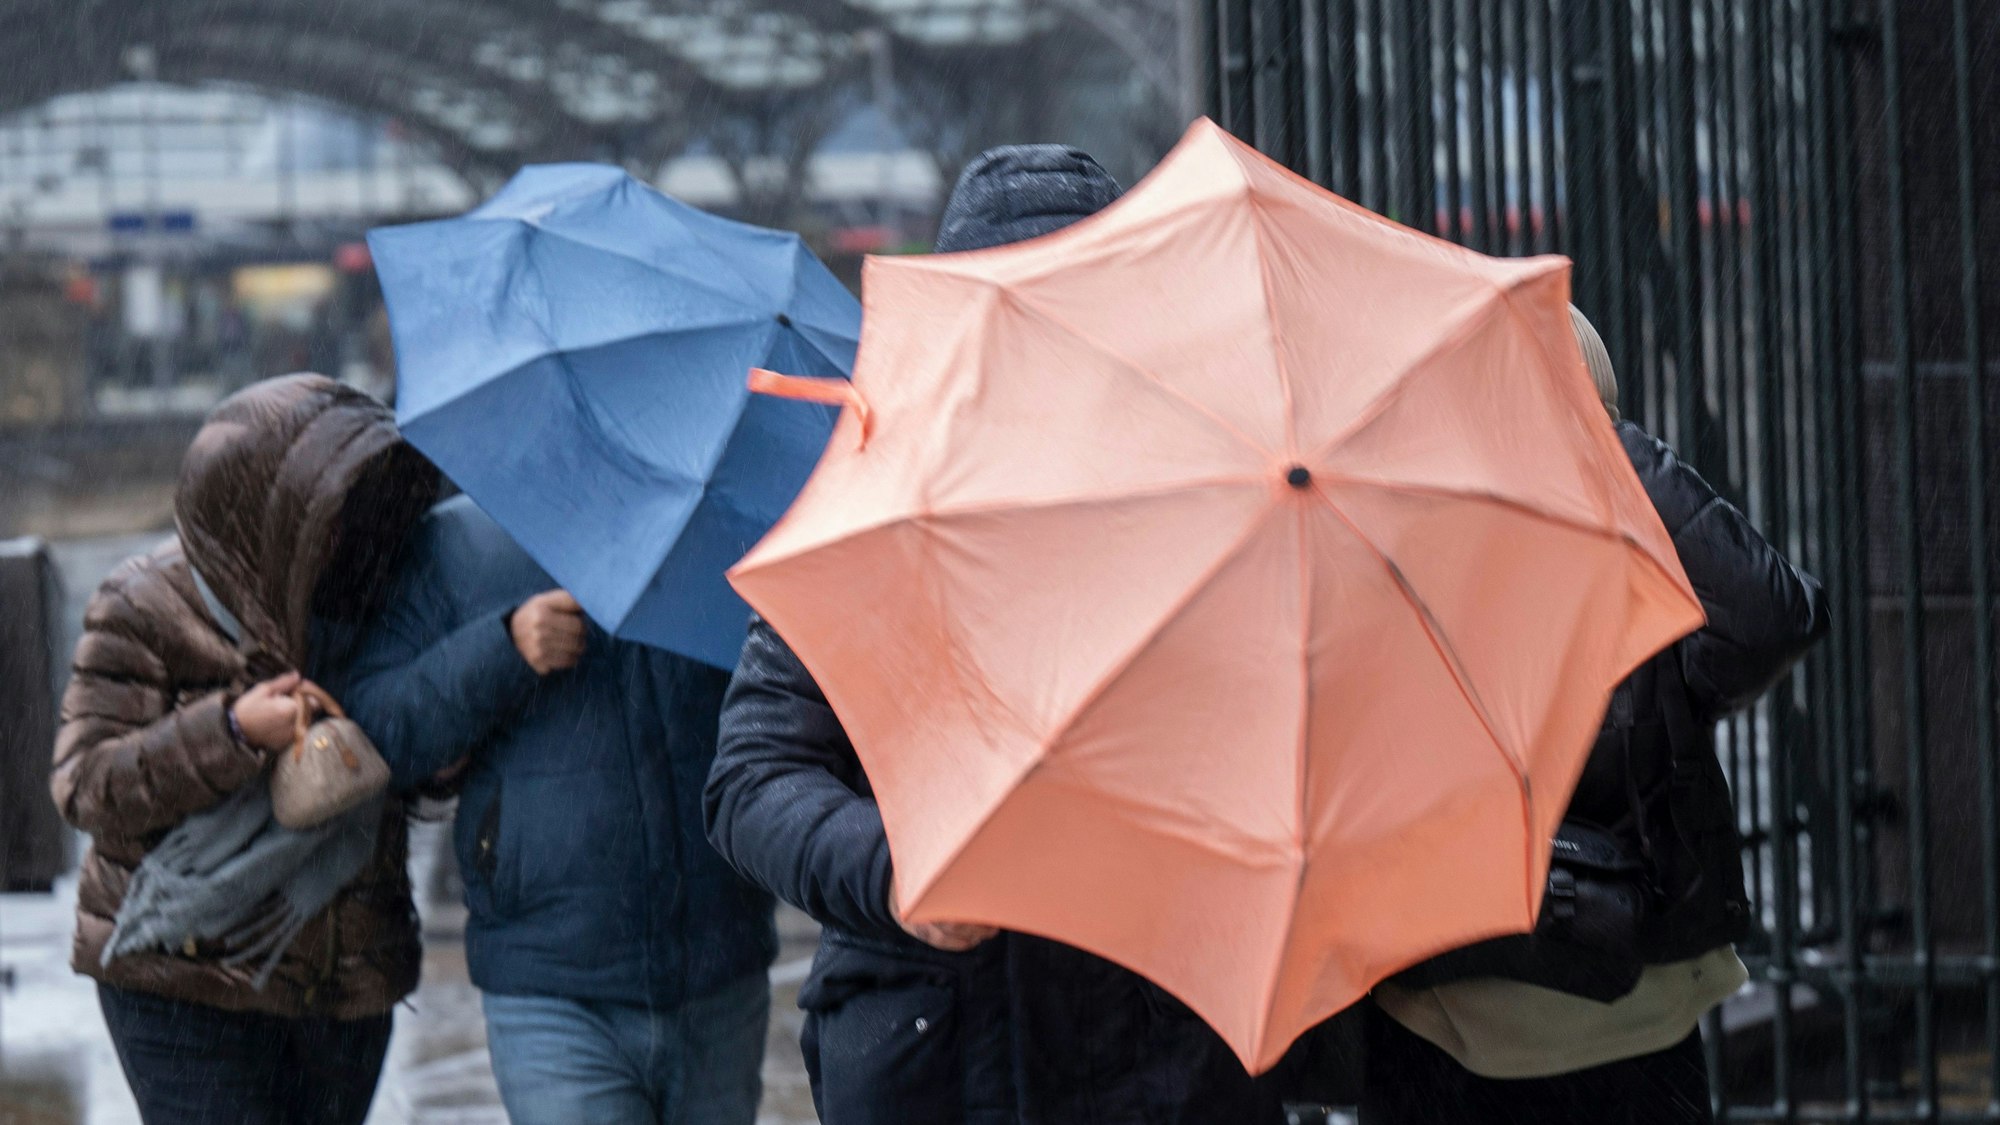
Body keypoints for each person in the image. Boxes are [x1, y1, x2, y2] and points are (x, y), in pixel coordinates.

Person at [704, 144, 1285, 1125]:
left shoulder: (1230, 509)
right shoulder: (873, 521)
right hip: (944, 1056)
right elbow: (751, 780)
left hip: (1162, 1048)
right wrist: (897, 875)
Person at [1359, 309, 1828, 1123]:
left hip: (1513, 1021)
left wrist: (1596, 449)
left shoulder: (1640, 582)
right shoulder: (1402, 561)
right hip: (1548, 1023)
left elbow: (1773, 616)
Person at [51, 373, 440, 1125]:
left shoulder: (380, 595)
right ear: (269, 513)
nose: (343, 539)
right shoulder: (145, 603)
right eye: (328, 516)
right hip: (181, 973)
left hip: (338, 984)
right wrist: (231, 731)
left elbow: (420, 773)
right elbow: (86, 786)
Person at [337, 493, 778, 1125]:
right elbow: (378, 731)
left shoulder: (726, 528)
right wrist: (503, 649)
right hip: (551, 984)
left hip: (721, 967)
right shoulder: (461, 543)